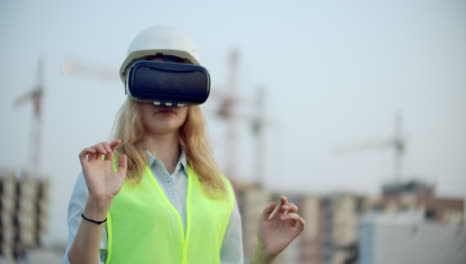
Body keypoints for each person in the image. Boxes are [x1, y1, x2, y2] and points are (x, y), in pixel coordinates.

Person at [62, 25, 305, 264]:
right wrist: (98, 204)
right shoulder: (102, 176)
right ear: (132, 89)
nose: (167, 97)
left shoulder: (219, 189)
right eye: (154, 80)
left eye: (179, 82)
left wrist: (266, 254)